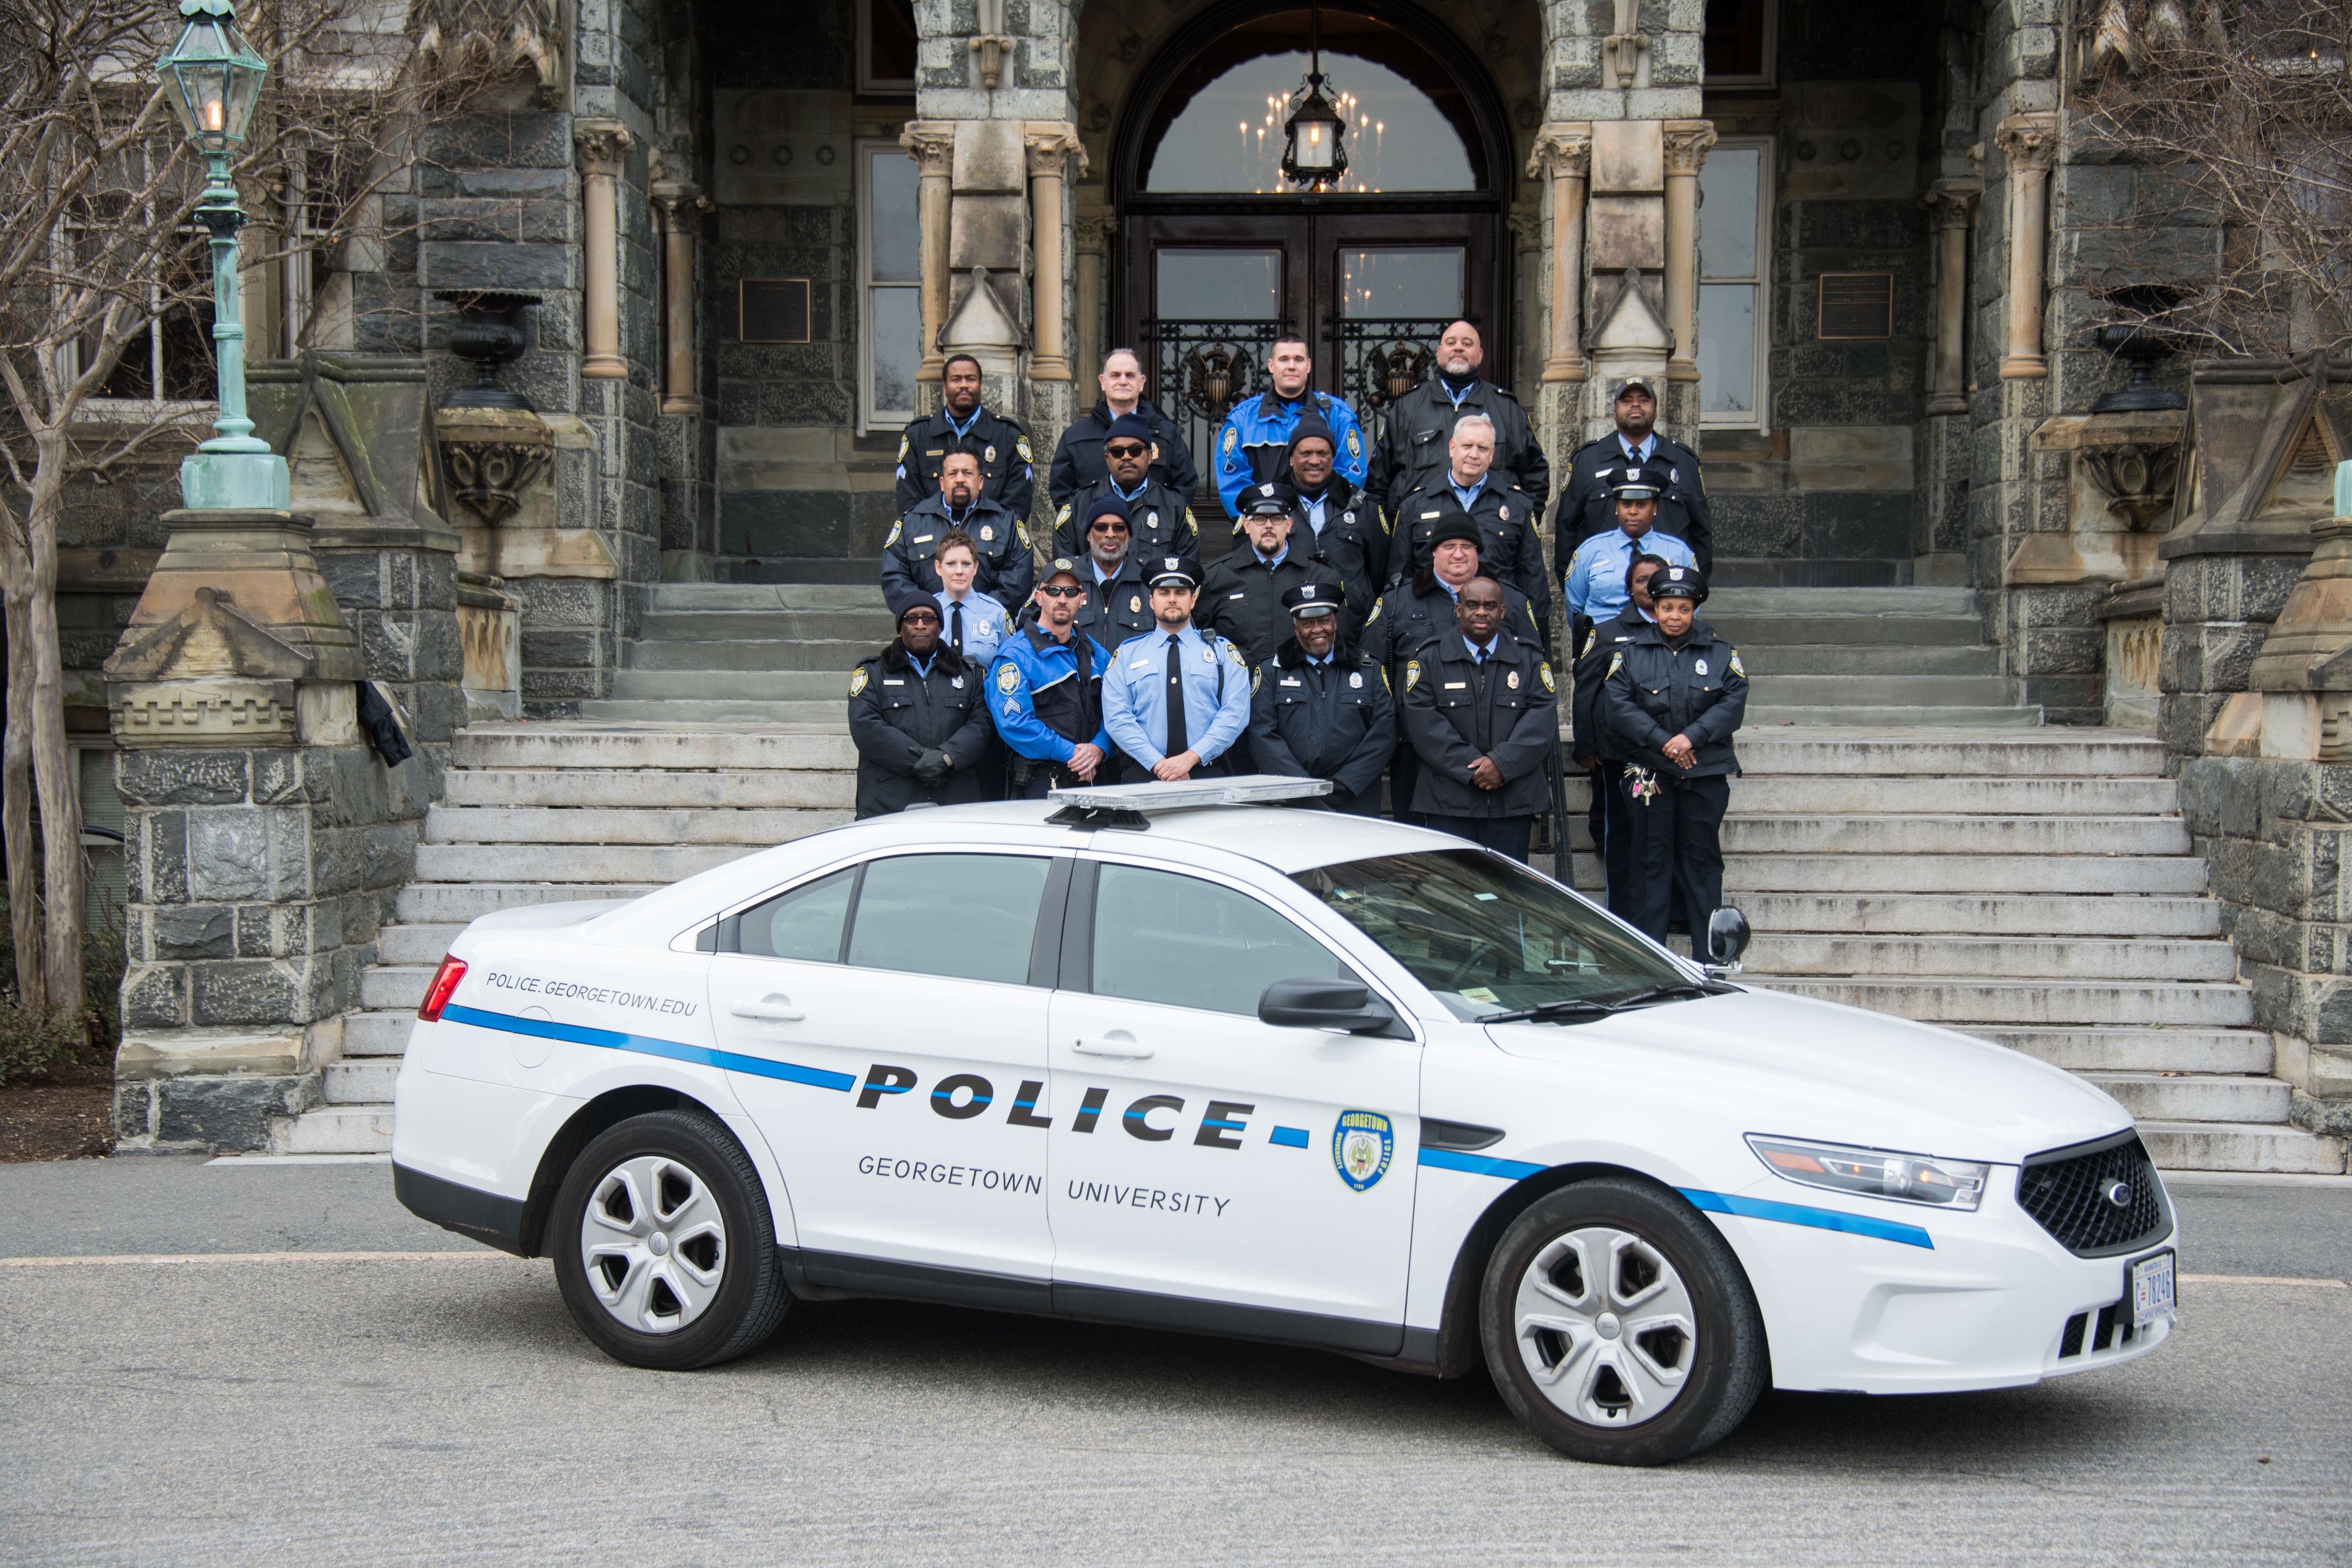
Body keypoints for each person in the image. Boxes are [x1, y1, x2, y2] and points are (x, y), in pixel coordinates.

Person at [1359, 513, 1541, 824]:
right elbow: (1372, 670)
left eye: (1467, 546)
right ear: (1433, 551)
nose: (1459, 554)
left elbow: (1534, 670)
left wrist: (1502, 760)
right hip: (1416, 746)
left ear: (1478, 552)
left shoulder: (1509, 599)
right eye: (1449, 546)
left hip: (1496, 751)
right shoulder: (1398, 602)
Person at [1603, 564, 1747, 944]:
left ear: (1694, 609)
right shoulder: (1631, 655)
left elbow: (1732, 703)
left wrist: (1690, 739)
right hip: (1653, 774)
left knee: (1702, 864)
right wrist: (1667, 743)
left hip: (1704, 773)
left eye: (1684, 609)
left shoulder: (1721, 653)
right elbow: (1618, 707)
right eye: (1668, 608)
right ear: (1655, 608)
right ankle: (1653, 954)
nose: (1675, 617)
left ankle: (1711, 955)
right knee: (1650, 863)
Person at [1397, 574, 1561, 863]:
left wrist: (1502, 764)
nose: (1482, 612)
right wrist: (1471, 768)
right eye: (1472, 605)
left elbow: (1542, 718)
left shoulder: (1530, 659)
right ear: (1458, 610)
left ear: (1503, 611)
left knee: (1509, 894)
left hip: (1512, 800)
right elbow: (1423, 723)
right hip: (1449, 802)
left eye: (1490, 605)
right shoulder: (1429, 659)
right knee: (1452, 892)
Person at [1385, 413, 1550, 635]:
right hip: (1430, 627)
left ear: (1492, 455)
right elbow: (1398, 578)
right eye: (1467, 446)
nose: (1474, 454)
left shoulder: (1518, 505)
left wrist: (1537, 638)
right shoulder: (1416, 504)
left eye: (1482, 448)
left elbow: (1533, 579)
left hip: (1498, 626)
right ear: (1452, 448)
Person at [1365, 319, 1549, 517]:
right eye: (1451, 343)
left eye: (1467, 344)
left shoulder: (1507, 409)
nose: (1459, 348)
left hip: (1491, 538)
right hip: (1420, 538)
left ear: (1479, 356)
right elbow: (1378, 483)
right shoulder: (1407, 408)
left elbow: (1535, 477)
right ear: (1439, 353)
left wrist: (1518, 527)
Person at [1572, 551, 1671, 917]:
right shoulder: (1608, 632)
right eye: (1641, 580)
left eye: (1656, 579)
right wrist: (1586, 745)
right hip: (1619, 755)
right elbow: (1586, 690)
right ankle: (1623, 916)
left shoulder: (1679, 630)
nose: (1649, 586)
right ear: (1630, 588)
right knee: (1623, 837)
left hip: (1668, 755)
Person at [1246, 581, 1396, 817]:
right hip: (1292, 798)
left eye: (1324, 621)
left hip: (1357, 795)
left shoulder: (1369, 669)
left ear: (1335, 623)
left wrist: (1347, 783)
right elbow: (1261, 732)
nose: (1317, 630)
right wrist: (1303, 787)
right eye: (1307, 624)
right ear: (1296, 629)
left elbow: (1384, 730)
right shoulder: (1271, 672)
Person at [1102, 555, 1252, 783]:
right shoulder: (1126, 655)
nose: (1172, 599)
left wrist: (1191, 758)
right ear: (1151, 601)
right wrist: (1159, 764)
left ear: (1193, 600)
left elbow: (1236, 712)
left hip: (1206, 773)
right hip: (1145, 774)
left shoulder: (1222, 653)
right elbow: (1117, 717)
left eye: (1180, 593)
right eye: (1164, 593)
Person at [847, 593, 996, 818]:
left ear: (939, 627)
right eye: (911, 619)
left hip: (955, 801)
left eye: (929, 619)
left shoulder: (971, 675)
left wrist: (945, 758)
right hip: (890, 801)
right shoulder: (872, 673)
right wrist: (923, 762)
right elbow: (865, 727)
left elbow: (982, 725)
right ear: (900, 627)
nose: (920, 625)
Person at [1552, 375, 1713, 580]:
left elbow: (1701, 533)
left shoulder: (1683, 461)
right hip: (1605, 591)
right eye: (1627, 401)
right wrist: (1577, 595)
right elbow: (1567, 529)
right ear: (1614, 412)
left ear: (1656, 411)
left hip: (1668, 594)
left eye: (1644, 400)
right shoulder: (1587, 460)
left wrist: (1692, 590)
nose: (1635, 404)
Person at [988, 559, 1113, 798]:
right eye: (1053, 591)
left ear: (1082, 599)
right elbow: (1014, 724)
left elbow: (1119, 711)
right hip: (1041, 782)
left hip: (1096, 777)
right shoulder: (1015, 656)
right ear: (1038, 597)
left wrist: (1101, 748)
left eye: (1071, 592)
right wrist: (1073, 754)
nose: (1062, 599)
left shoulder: (1098, 654)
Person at [1212, 335, 1368, 518]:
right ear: (1271, 365)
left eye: (1299, 360)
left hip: (1322, 532)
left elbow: (1350, 476)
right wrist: (1261, 522)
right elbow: (1233, 483)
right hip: (1265, 531)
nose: (1292, 366)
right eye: (1284, 359)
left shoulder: (1338, 415)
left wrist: (1320, 523)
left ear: (1309, 366)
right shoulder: (1242, 419)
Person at [1197, 481, 1348, 667]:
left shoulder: (1322, 577)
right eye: (1259, 518)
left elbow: (1341, 645)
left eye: (1277, 518)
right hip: (1237, 691)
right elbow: (1197, 644)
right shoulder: (1215, 577)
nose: (1268, 526)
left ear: (1289, 525)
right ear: (1246, 525)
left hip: (1301, 692)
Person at [882, 444, 1035, 611]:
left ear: (981, 481)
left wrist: (982, 611)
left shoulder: (1007, 522)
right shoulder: (913, 522)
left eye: (968, 473)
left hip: (988, 627)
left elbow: (1018, 579)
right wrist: (926, 612)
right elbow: (895, 577)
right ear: (942, 482)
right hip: (928, 627)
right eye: (953, 473)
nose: (960, 479)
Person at [1562, 464, 1696, 653]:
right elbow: (1575, 607)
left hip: (1662, 648)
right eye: (1626, 505)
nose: (1633, 511)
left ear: (1655, 507)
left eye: (1642, 505)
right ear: (1617, 507)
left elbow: (1690, 606)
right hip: (1604, 648)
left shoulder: (1678, 552)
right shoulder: (1590, 551)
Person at [1048, 348, 1200, 506]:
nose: (1123, 381)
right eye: (1115, 375)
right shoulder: (1075, 437)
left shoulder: (1167, 434)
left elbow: (1185, 487)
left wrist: (1162, 524)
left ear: (1141, 383)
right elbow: (1062, 494)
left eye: (1130, 375)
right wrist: (1092, 526)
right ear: (1103, 382)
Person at [894, 354, 1035, 519]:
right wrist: (943, 541)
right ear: (945, 388)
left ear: (981, 386)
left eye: (970, 379)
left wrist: (985, 538)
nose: (964, 385)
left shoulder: (1009, 436)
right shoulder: (918, 436)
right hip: (933, 542)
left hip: (992, 540)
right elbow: (909, 500)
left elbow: (1018, 502)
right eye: (956, 380)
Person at [1278, 413, 1386, 627]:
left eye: (1323, 453)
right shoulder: (1272, 507)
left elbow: (1381, 574)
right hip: (1287, 624)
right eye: (1306, 453)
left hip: (1352, 628)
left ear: (1333, 457)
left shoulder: (1363, 506)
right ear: (1292, 458)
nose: (1315, 461)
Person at [1052, 411, 1198, 559]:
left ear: (1150, 456)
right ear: (1107, 459)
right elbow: (1064, 570)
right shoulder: (1079, 505)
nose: (1126, 457)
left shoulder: (1175, 507)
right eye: (1118, 452)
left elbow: (1188, 571)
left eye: (1135, 450)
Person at [1068, 495, 1156, 652]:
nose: (1110, 534)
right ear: (1089, 536)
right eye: (1101, 528)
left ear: (1129, 537)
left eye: (1119, 528)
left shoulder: (1150, 581)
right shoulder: (1066, 577)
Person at [932, 533, 1010, 669]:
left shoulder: (997, 614)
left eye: (966, 564)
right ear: (939, 567)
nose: (959, 571)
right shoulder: (926, 611)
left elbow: (1010, 665)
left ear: (975, 567)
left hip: (983, 690)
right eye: (951, 564)